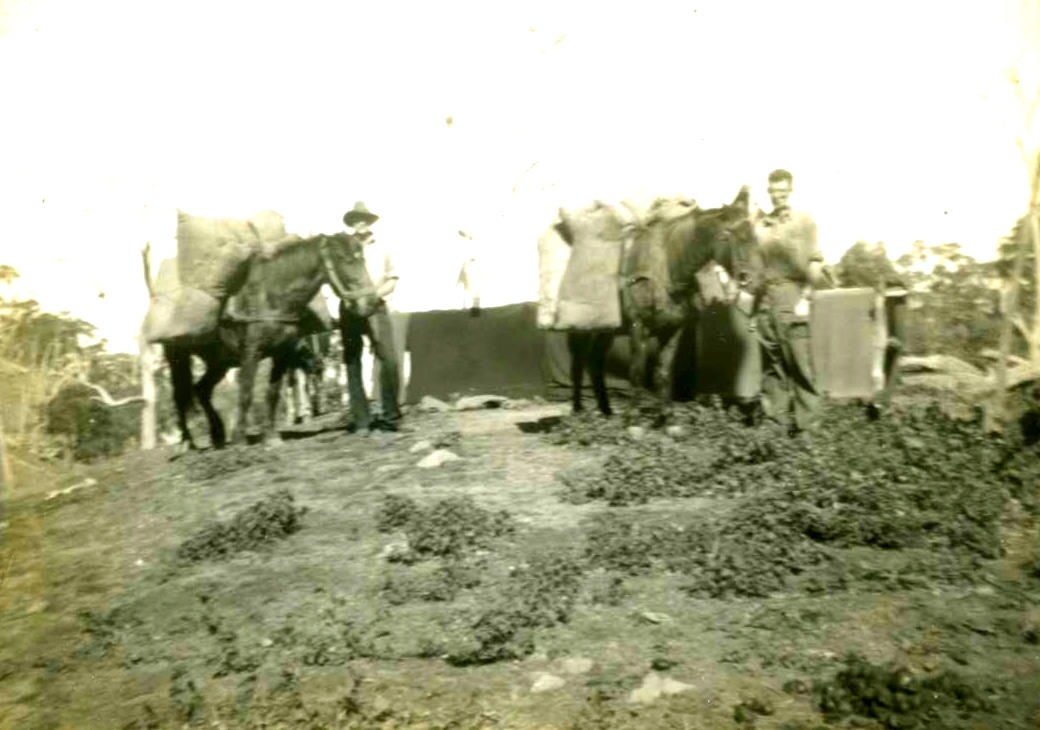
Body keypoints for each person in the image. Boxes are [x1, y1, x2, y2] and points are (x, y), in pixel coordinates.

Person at [752, 169, 830, 437]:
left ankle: (808, 427)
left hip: (793, 294)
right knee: (772, 366)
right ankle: (776, 424)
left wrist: (806, 298)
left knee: (799, 362)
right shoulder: (761, 227)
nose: (778, 196)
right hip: (766, 299)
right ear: (769, 192)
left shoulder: (803, 221)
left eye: (783, 190)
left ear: (790, 190)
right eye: (774, 191)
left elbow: (815, 263)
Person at [339, 201, 403, 433]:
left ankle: (390, 415)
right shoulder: (342, 248)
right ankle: (362, 421)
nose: (360, 223)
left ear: (369, 222)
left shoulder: (383, 246)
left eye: (363, 219)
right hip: (350, 309)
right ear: (351, 223)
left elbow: (393, 279)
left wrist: (375, 296)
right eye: (355, 219)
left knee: (390, 359)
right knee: (352, 362)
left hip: (376, 307)